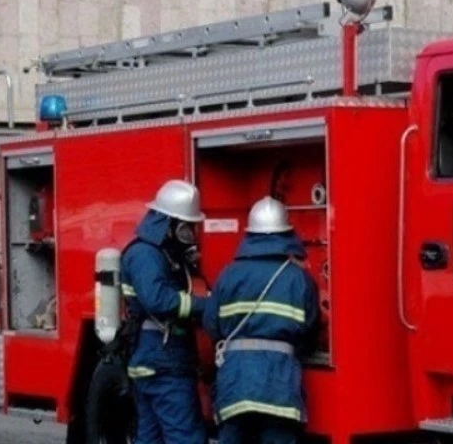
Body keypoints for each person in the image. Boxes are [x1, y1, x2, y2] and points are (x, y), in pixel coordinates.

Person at [203, 196, 320, 444]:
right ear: (287, 234)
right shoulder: (299, 279)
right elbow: (311, 329)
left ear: (250, 235)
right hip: (279, 383)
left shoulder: (228, 274)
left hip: (234, 380)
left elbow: (211, 325)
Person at [120, 179, 208, 444]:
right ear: (169, 224)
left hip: (154, 360)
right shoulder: (146, 255)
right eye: (186, 226)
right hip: (163, 363)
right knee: (184, 437)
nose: (191, 233)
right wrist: (204, 305)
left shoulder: (159, 254)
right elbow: (158, 300)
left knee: (150, 438)